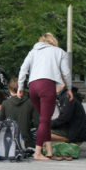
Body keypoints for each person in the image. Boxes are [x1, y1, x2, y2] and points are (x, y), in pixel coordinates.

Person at [18, 32, 73, 161]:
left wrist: (20, 87)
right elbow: (66, 72)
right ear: (53, 41)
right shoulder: (59, 52)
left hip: (32, 86)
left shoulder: (33, 52)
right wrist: (69, 88)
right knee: (44, 120)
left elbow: (23, 69)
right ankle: (37, 153)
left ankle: (48, 151)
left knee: (44, 120)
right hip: (47, 85)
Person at [0, 78, 40, 148]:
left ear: (10, 89)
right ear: (23, 89)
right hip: (26, 141)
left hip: (9, 141)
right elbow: (37, 123)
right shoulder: (31, 103)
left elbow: (1, 123)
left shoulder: (5, 103)